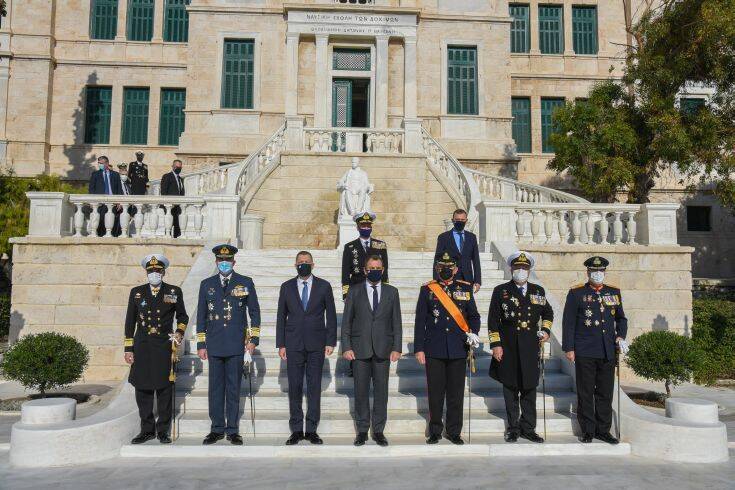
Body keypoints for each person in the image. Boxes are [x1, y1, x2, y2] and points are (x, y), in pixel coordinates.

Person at [196, 244, 261, 445]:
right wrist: (201, 343)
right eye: (221, 260)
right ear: (216, 262)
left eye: (228, 260)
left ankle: (232, 429)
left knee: (233, 387)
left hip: (235, 344)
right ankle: (216, 428)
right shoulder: (207, 284)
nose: (224, 263)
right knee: (215, 388)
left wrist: (253, 340)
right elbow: (201, 315)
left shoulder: (245, 282)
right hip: (214, 343)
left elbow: (255, 312)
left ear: (234, 262)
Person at [414, 252, 481, 445]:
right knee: (435, 392)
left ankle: (454, 431)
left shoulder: (465, 289)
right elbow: (420, 321)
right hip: (434, 348)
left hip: (458, 347)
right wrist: (419, 348)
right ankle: (435, 429)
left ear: (456, 269)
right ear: (437, 268)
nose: (445, 270)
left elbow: (474, 316)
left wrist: (473, 333)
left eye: (449, 267)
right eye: (442, 267)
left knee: (455, 392)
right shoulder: (427, 290)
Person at [562, 256, 628, 445]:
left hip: (607, 350)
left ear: (605, 272)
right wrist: (569, 348)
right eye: (594, 271)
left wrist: (620, 336)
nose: (597, 275)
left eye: (600, 271)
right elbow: (569, 323)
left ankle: (603, 430)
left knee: (605, 393)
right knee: (586, 392)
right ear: (588, 272)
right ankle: (588, 430)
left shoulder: (613, 293)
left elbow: (621, 319)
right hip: (585, 351)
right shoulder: (577, 294)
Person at [488, 251, 552, 443]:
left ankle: (529, 428)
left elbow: (548, 313)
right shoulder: (501, 291)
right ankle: (513, 427)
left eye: (524, 268)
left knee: (529, 388)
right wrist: (496, 345)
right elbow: (493, 320)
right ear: (511, 269)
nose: (521, 271)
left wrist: (546, 331)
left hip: (530, 346)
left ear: (529, 270)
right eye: (517, 268)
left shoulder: (538, 291)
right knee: (510, 388)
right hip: (508, 345)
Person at [124, 254, 188, 444]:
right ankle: (146, 429)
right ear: (146, 272)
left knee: (164, 389)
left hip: (163, 345)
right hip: (142, 345)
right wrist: (129, 348)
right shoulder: (137, 292)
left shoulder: (174, 291)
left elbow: (182, 317)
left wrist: (179, 332)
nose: (154, 274)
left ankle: (163, 430)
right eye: (151, 271)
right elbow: (130, 321)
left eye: (158, 271)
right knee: (142, 388)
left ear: (163, 272)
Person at [276, 251, 337, 446]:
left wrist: (330, 341)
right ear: (295, 265)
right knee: (294, 387)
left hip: (316, 344)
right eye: (300, 262)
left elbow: (332, 316)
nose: (303, 264)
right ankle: (296, 430)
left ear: (313, 264)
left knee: (313, 387)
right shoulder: (286, 287)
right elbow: (280, 316)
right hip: (293, 344)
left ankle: (311, 429)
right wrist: (281, 343)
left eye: (307, 262)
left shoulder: (324, 286)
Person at [341, 254, 402, 447]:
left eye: (378, 268)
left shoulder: (392, 292)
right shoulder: (354, 291)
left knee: (381, 392)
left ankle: (378, 430)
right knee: (360, 391)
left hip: (384, 349)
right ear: (365, 270)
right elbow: (346, 322)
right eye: (371, 268)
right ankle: (361, 430)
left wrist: (397, 347)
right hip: (360, 349)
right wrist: (346, 346)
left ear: (382, 270)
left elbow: (397, 323)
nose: (375, 271)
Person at [341, 212, 389, 300]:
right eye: (363, 225)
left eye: (368, 225)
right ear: (358, 227)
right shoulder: (350, 247)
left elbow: (385, 269)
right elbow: (345, 272)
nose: (366, 228)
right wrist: (346, 293)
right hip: (356, 286)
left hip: (375, 286)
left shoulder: (380, 245)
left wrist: (385, 288)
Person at [433, 209, 481, 293]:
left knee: (467, 305)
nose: (460, 222)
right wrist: (436, 280)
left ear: (466, 220)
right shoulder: (443, 237)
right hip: (448, 278)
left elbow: (476, 260)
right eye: (457, 220)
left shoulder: (472, 237)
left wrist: (477, 281)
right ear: (452, 220)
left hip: (467, 278)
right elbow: (437, 260)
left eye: (462, 220)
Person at [88, 155, 123, 236]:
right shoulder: (95, 174)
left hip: (112, 202)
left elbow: (119, 189)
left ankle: (111, 236)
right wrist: (91, 201)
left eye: (101, 163)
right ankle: (101, 236)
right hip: (100, 202)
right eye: (99, 163)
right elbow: (91, 189)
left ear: (107, 163)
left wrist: (119, 201)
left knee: (112, 220)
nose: (99, 165)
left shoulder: (115, 175)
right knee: (101, 220)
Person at [160, 160, 185, 237]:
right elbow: (163, 191)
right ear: (173, 167)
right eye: (177, 167)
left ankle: (176, 237)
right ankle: (167, 237)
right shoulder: (167, 176)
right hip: (169, 205)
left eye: (180, 167)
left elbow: (181, 192)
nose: (179, 168)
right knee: (169, 224)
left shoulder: (180, 179)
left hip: (178, 205)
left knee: (177, 223)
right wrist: (167, 204)